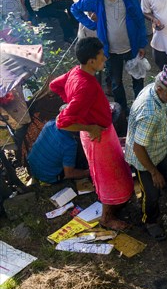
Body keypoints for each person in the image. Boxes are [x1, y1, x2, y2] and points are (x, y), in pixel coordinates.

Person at [50, 37, 134, 230]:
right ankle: (106, 218)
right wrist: (88, 126)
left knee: (114, 168)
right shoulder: (84, 86)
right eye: (101, 57)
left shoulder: (76, 72)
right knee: (106, 176)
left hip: (101, 131)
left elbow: (54, 85)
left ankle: (117, 200)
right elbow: (62, 123)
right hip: (97, 136)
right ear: (91, 61)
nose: (104, 59)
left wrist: (76, 105)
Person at [71, 0, 148, 114]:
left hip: (131, 46)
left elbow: (139, 20)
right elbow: (75, 9)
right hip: (110, 50)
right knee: (116, 83)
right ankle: (122, 111)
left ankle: (140, 107)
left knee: (138, 78)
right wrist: (92, 24)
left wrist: (142, 43)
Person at [125, 65, 167, 240]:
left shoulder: (155, 90)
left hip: (158, 149)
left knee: (166, 162)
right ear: (160, 89)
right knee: (151, 194)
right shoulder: (149, 113)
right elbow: (139, 148)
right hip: (144, 158)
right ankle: (150, 221)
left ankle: (165, 179)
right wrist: (153, 172)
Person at [27, 119, 89, 184]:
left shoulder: (50, 124)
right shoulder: (70, 144)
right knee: (80, 153)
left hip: (33, 167)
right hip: (48, 177)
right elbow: (69, 174)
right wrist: (87, 172)